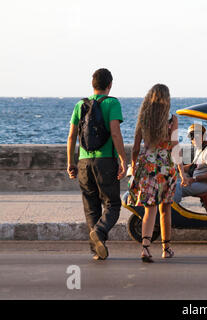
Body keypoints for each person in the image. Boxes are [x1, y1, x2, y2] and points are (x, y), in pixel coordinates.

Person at [66, 68, 127, 260]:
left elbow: (71, 136)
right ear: (110, 85)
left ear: (93, 85)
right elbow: (115, 133)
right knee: (113, 204)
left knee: (91, 207)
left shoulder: (79, 105)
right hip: (105, 161)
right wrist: (123, 159)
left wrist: (71, 162)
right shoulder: (112, 103)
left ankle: (96, 251)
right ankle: (99, 232)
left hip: (83, 162)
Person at [127, 84, 185, 263]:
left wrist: (133, 165)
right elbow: (175, 147)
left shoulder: (143, 119)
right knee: (165, 208)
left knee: (149, 209)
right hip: (166, 167)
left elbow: (136, 148)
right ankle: (166, 249)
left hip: (147, 167)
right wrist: (182, 171)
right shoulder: (171, 120)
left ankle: (145, 248)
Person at [173, 124, 207, 204]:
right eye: (192, 136)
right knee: (171, 183)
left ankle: (171, 210)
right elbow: (194, 166)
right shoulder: (200, 149)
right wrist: (176, 168)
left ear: (204, 135)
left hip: (206, 185)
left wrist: (194, 179)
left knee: (177, 187)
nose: (195, 138)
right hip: (197, 181)